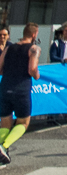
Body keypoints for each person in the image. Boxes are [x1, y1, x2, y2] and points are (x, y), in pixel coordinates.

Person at [0, 22, 41, 164]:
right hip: (21, 89)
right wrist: (37, 75)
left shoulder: (8, 48)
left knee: (5, 123)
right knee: (23, 122)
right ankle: (3, 146)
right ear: (34, 34)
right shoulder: (34, 48)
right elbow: (32, 69)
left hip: (5, 87)